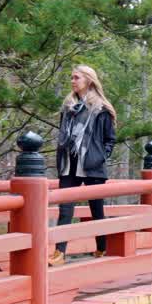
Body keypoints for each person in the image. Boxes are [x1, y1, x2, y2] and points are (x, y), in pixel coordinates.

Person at [50, 64, 117, 266]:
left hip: (92, 165)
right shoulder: (68, 107)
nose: (72, 81)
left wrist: (99, 157)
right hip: (69, 164)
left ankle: (102, 248)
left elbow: (109, 139)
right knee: (65, 210)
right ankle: (59, 253)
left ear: (88, 80)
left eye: (76, 77)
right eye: (72, 78)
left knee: (97, 210)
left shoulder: (101, 109)